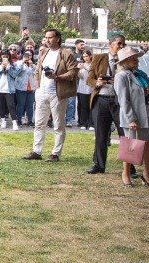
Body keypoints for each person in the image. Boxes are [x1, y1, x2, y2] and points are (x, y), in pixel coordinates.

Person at [29, 28, 79, 159]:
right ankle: (36, 151)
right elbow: (37, 69)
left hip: (57, 93)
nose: (47, 40)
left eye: (50, 37)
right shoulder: (44, 52)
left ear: (57, 38)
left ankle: (55, 153)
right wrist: (37, 84)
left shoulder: (65, 53)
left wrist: (57, 77)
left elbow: (74, 71)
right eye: (46, 37)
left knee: (58, 124)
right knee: (39, 123)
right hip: (42, 92)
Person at [115, 46, 149, 188]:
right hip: (133, 116)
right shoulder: (121, 76)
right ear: (125, 61)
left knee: (148, 144)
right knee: (130, 146)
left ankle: (146, 174)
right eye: (132, 58)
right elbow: (123, 100)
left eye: (136, 57)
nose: (136, 60)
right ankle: (125, 173)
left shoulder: (140, 74)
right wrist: (131, 118)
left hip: (147, 113)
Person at [88, 36, 128, 174]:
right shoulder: (99, 57)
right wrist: (98, 82)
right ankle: (99, 164)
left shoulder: (127, 59)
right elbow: (89, 79)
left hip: (120, 101)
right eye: (119, 44)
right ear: (110, 44)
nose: (122, 46)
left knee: (125, 133)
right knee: (101, 133)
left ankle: (129, 167)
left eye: (124, 44)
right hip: (101, 99)